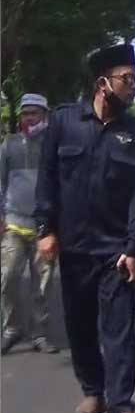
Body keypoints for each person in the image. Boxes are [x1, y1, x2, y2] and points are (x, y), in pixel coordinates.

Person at [34, 44, 135, 413]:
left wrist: (134, 248)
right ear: (103, 83)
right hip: (73, 245)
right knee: (80, 325)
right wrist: (45, 230)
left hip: (115, 249)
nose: (133, 87)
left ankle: (122, 405)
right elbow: (47, 178)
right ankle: (93, 391)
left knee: (119, 328)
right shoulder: (64, 122)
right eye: (127, 79)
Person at [1, 93, 60, 355]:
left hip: (43, 227)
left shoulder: (53, 145)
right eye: (25, 113)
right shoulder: (9, 145)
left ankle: (39, 333)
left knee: (42, 284)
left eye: (34, 113)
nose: (29, 118)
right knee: (8, 276)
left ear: (44, 115)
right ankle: (12, 328)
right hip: (13, 222)